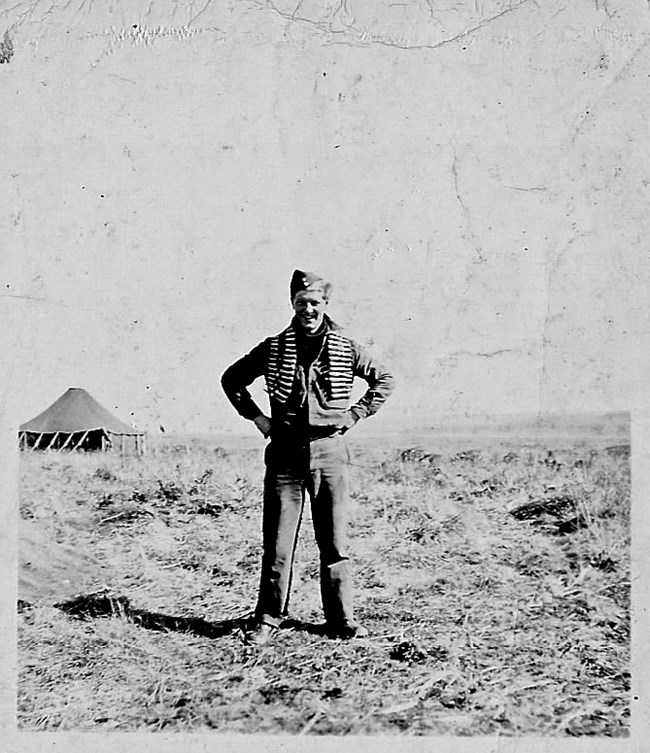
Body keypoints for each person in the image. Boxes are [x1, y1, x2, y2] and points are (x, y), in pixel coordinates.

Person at [221, 269, 395, 645]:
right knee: (278, 544)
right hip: (284, 454)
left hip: (330, 451)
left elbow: (384, 379)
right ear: (292, 305)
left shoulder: (346, 348)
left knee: (335, 542)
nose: (308, 310)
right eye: (302, 303)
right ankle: (268, 617)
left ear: (325, 305)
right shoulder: (272, 347)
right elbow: (231, 379)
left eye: (315, 303)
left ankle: (341, 620)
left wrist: (354, 414)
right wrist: (257, 418)